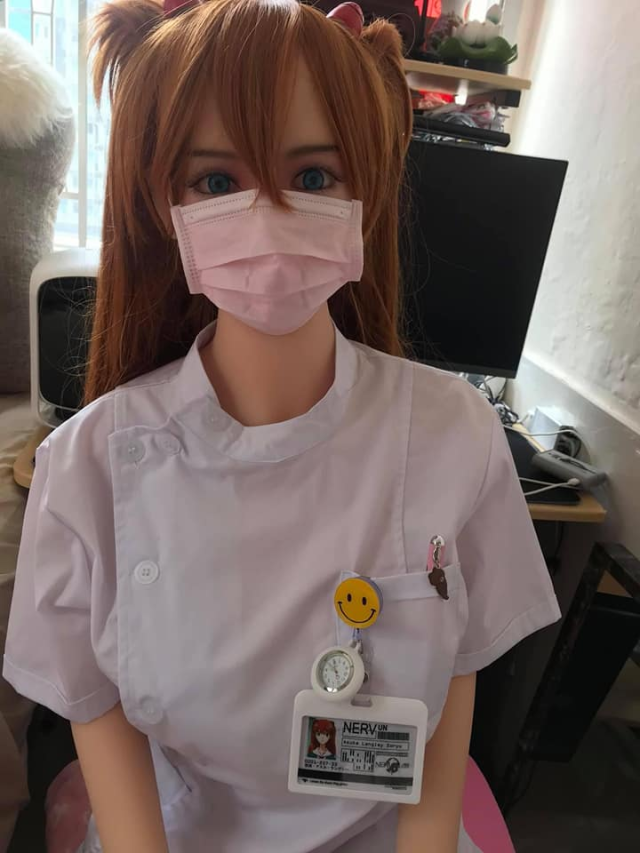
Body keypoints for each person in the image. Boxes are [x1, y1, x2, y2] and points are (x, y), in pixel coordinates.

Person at [2, 1, 560, 851]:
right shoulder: (87, 468)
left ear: (365, 189)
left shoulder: (456, 435)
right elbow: (96, 713)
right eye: (217, 183)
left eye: (314, 176)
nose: (267, 218)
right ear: (162, 202)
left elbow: (454, 674)